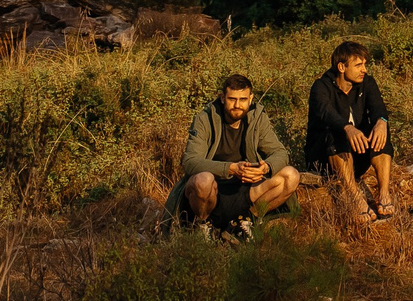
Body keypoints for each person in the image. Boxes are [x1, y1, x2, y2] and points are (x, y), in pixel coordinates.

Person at [167, 73, 299, 237]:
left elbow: (280, 153)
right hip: (213, 191)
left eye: (243, 99)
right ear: (222, 98)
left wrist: (265, 168)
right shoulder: (205, 118)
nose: (237, 105)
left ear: (250, 99)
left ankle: (247, 222)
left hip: (246, 189)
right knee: (203, 180)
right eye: (232, 99)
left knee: (291, 175)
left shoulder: (257, 117)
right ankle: (203, 225)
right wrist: (230, 168)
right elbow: (190, 162)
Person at [305, 40, 395, 222]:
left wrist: (381, 122)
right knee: (336, 130)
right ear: (341, 67)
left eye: (365, 64)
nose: (364, 70)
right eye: (358, 65)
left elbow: (378, 107)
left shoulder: (367, 83)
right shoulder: (321, 87)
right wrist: (347, 128)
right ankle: (355, 198)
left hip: (356, 154)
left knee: (380, 127)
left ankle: (384, 193)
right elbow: (326, 113)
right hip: (324, 157)